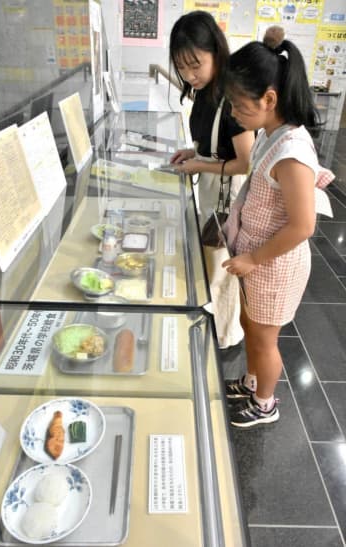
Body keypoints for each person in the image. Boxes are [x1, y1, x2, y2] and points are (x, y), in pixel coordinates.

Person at [222, 27, 334, 427]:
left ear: (269, 99)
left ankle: (265, 403)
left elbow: (303, 225)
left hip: (274, 264)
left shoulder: (291, 152)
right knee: (250, 323)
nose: (233, 113)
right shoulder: (273, 130)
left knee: (266, 338)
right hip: (258, 257)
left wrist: (252, 257)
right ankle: (252, 381)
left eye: (238, 104)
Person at [169, 10, 254, 349]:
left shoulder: (231, 97)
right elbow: (214, 146)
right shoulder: (205, 91)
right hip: (210, 191)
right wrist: (194, 154)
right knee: (211, 264)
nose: (189, 75)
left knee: (222, 270)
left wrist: (201, 166)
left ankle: (225, 337)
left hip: (226, 199)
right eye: (181, 67)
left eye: (195, 64)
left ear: (216, 53)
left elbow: (244, 163)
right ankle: (212, 325)